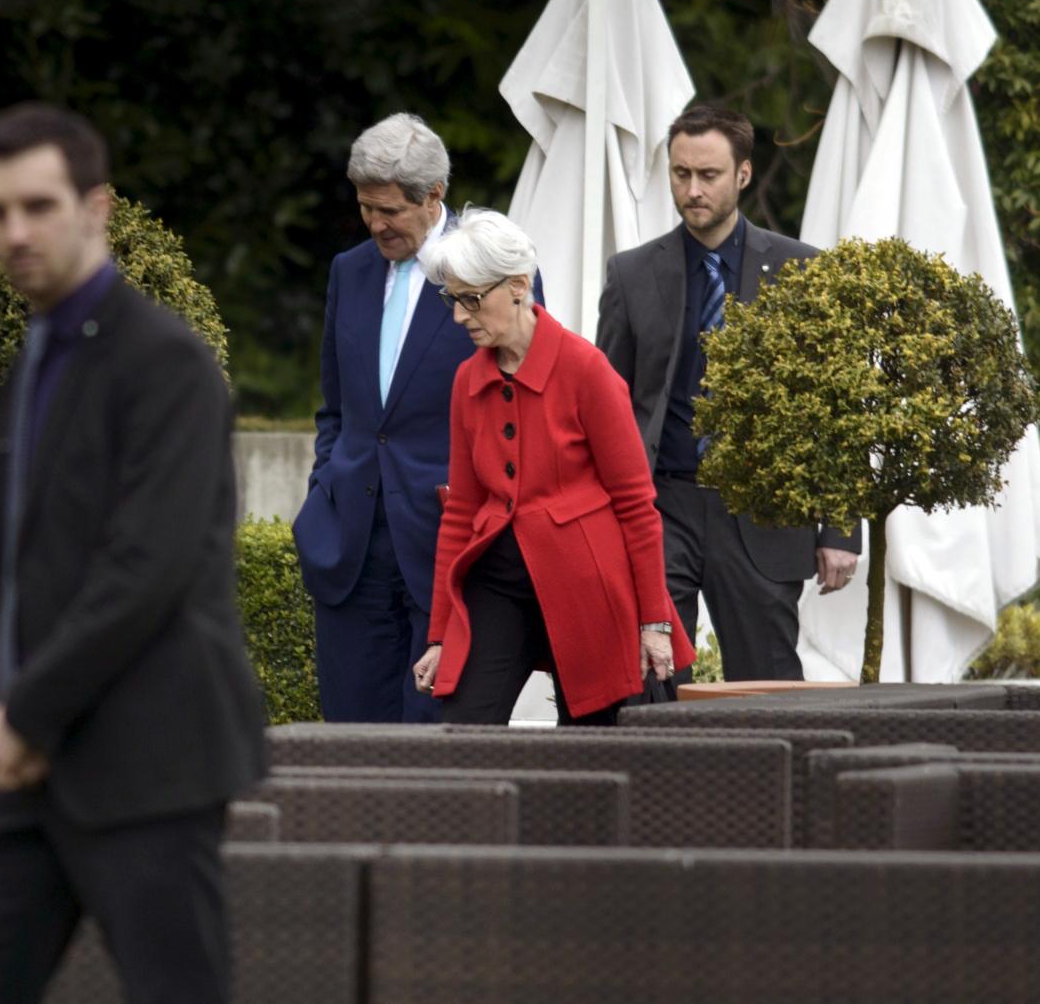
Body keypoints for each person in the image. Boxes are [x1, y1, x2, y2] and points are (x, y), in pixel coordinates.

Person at [0, 104, 266, 1004]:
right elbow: (12, 564)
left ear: (97, 207)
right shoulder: (37, 354)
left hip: (147, 761)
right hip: (26, 769)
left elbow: (145, 571)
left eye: (38, 206)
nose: (15, 233)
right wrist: (5, 717)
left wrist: (24, 715)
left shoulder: (168, 363)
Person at [595, 104, 860, 682]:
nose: (692, 190)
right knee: (650, 681)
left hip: (763, 510)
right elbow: (605, 406)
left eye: (708, 175)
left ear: (743, 173)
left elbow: (837, 407)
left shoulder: (804, 271)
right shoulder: (631, 275)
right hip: (660, 508)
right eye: (680, 173)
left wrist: (839, 526)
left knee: (766, 686)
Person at [294, 113, 544, 723]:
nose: (375, 223)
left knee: (437, 745)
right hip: (351, 543)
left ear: (434, 196)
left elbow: (526, 406)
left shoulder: (493, 273)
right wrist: (327, 486)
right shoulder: (349, 271)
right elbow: (336, 409)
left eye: (389, 211)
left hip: (452, 548)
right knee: (352, 739)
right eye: (365, 207)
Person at [411, 208, 693, 725]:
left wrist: (653, 622)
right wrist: (440, 635)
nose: (459, 316)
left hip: (588, 586)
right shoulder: (466, 381)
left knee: (592, 748)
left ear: (518, 286)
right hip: (497, 583)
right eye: (453, 299)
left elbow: (636, 506)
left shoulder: (587, 370)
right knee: (464, 732)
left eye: (472, 299)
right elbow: (461, 513)